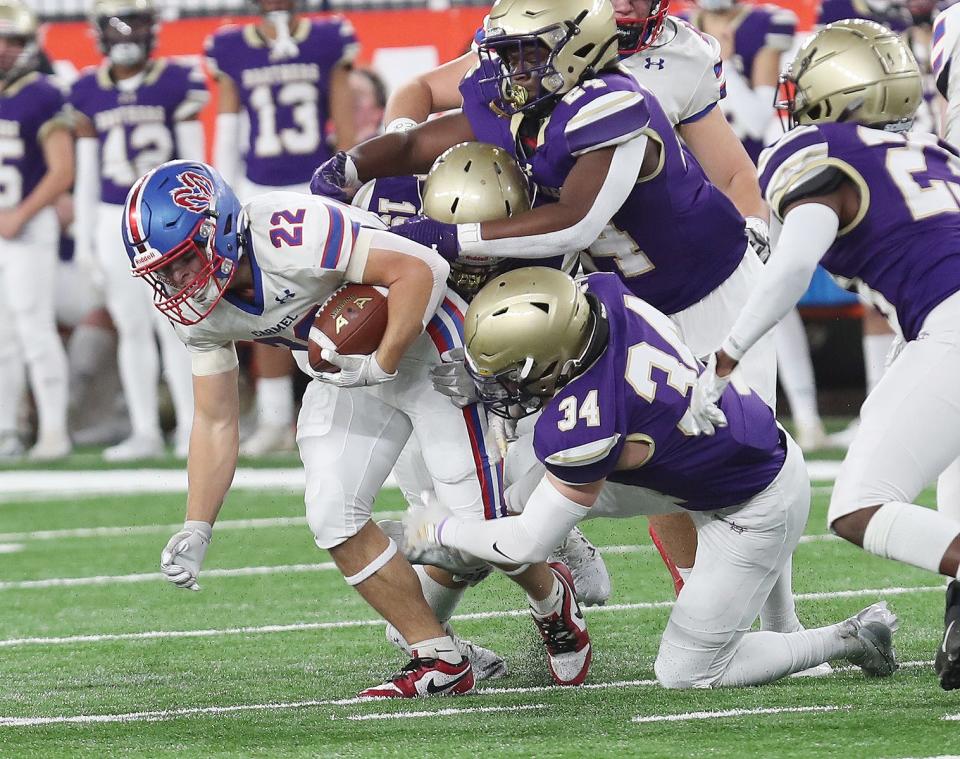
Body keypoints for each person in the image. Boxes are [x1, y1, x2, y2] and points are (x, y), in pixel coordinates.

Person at [312, 0, 789, 614]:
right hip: (617, 301)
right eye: (507, 54)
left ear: (576, 48)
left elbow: (572, 222)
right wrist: (350, 168)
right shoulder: (516, 88)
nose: (512, 69)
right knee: (560, 452)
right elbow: (419, 143)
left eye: (527, 53)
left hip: (708, 291)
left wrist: (450, 238)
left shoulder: (614, 102)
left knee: (741, 466)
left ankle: (774, 623)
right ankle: (538, 553)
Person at [124, 159, 591, 695]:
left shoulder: (288, 233)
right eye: (162, 270)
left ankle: (552, 600)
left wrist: (385, 360)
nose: (175, 281)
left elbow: (423, 272)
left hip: (422, 344)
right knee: (331, 514)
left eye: (182, 261)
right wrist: (197, 525)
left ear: (220, 228)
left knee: (477, 525)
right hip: (345, 373)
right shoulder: (196, 309)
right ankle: (437, 655)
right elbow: (215, 419)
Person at [403, 266, 900, 689]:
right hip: (721, 450)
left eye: (511, 373)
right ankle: (569, 554)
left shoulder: (587, 420)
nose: (503, 387)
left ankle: (849, 636)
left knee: (686, 672)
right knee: (515, 493)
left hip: (752, 504)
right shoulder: (605, 297)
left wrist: (441, 530)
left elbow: (528, 544)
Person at [689, 19, 960, 691]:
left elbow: (791, 265)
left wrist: (725, 358)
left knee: (858, 506)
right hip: (941, 324)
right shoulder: (937, 151)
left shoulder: (812, 148)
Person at [205, 0, 358, 457]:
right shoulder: (232, 45)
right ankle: (274, 417)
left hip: (315, 182)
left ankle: (351, 409)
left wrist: (349, 176)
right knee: (264, 299)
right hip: (258, 187)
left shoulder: (327, 37)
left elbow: (343, 113)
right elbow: (229, 122)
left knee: (338, 292)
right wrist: (221, 187)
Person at [70, 0, 207, 461]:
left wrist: (201, 218)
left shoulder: (175, 80)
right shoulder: (87, 89)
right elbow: (86, 173)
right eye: (118, 26)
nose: (127, 35)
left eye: (135, 25)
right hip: (113, 217)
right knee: (130, 327)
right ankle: (145, 428)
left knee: (174, 325)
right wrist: (87, 238)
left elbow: (194, 161)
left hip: (166, 218)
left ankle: (191, 426)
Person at [0, 0, 73, 461]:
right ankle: (8, 427)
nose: (5, 50)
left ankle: (53, 430)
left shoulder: (43, 92)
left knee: (33, 326)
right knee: (1, 335)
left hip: (27, 225)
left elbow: (62, 170)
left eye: (14, 41)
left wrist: (20, 214)